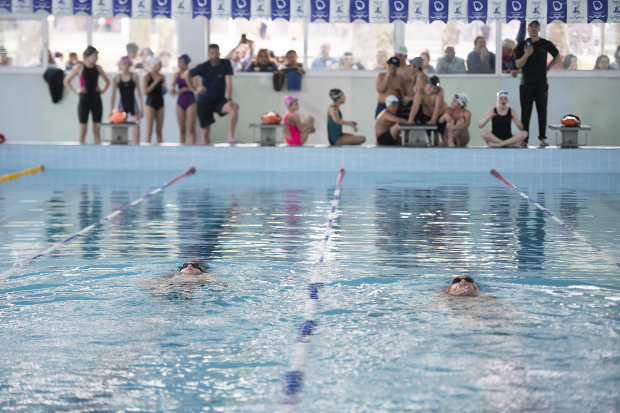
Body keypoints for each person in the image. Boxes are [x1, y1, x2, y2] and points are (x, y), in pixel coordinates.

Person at [183, 44, 241, 145]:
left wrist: (230, 99)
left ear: (219, 53)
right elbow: (186, 74)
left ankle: (231, 137)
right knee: (205, 131)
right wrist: (194, 89)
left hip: (218, 100)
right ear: (209, 54)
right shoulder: (204, 66)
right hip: (204, 101)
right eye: (212, 53)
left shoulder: (225, 64)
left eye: (216, 53)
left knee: (233, 108)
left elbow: (228, 81)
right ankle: (207, 153)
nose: (214, 55)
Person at [515, 20, 560, 147]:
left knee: (542, 112)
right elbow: (518, 64)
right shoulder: (521, 45)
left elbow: (557, 56)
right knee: (526, 112)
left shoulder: (545, 44)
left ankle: (542, 139)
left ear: (539, 29)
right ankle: (525, 139)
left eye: (536, 26)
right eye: (531, 26)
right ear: (528, 29)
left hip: (541, 83)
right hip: (526, 83)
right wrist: (526, 54)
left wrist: (548, 68)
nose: (533, 28)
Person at [63, 46, 110, 144]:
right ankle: (80, 153)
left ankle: (98, 152)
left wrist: (102, 90)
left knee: (97, 131)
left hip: (96, 100)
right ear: (86, 56)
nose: (96, 57)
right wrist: (76, 91)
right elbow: (66, 81)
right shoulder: (79, 67)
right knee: (83, 130)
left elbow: (107, 81)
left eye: (97, 55)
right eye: (94, 55)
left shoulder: (98, 68)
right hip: (84, 100)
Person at [407, 75, 448, 146]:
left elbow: (437, 107)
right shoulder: (420, 91)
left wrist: (433, 120)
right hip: (428, 116)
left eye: (435, 88)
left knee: (446, 139)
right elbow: (415, 106)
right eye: (430, 87)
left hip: (440, 116)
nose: (432, 89)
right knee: (434, 142)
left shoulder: (440, 91)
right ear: (426, 85)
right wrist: (410, 120)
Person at [110, 56, 143, 144]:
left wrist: (141, 109)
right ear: (120, 65)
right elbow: (113, 95)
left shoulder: (134, 76)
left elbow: (140, 94)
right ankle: (123, 147)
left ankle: (136, 147)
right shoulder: (116, 77)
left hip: (133, 104)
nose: (126, 66)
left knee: (136, 129)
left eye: (128, 64)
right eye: (124, 64)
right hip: (122, 105)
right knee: (122, 129)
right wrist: (112, 110)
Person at [171, 54, 197, 145]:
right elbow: (173, 84)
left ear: (186, 64)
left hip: (190, 101)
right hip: (180, 102)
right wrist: (172, 88)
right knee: (182, 129)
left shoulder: (192, 74)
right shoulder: (176, 74)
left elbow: (195, 88)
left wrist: (184, 89)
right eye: (178, 63)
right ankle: (181, 148)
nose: (179, 65)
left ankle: (192, 148)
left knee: (191, 129)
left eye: (181, 63)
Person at [142, 56, 166, 144]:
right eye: (159, 64)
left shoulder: (162, 76)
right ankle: (147, 150)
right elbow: (145, 91)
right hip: (150, 103)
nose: (161, 66)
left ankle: (161, 149)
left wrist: (164, 89)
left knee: (159, 130)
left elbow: (163, 92)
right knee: (149, 130)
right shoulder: (146, 76)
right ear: (154, 65)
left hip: (160, 102)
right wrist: (155, 82)